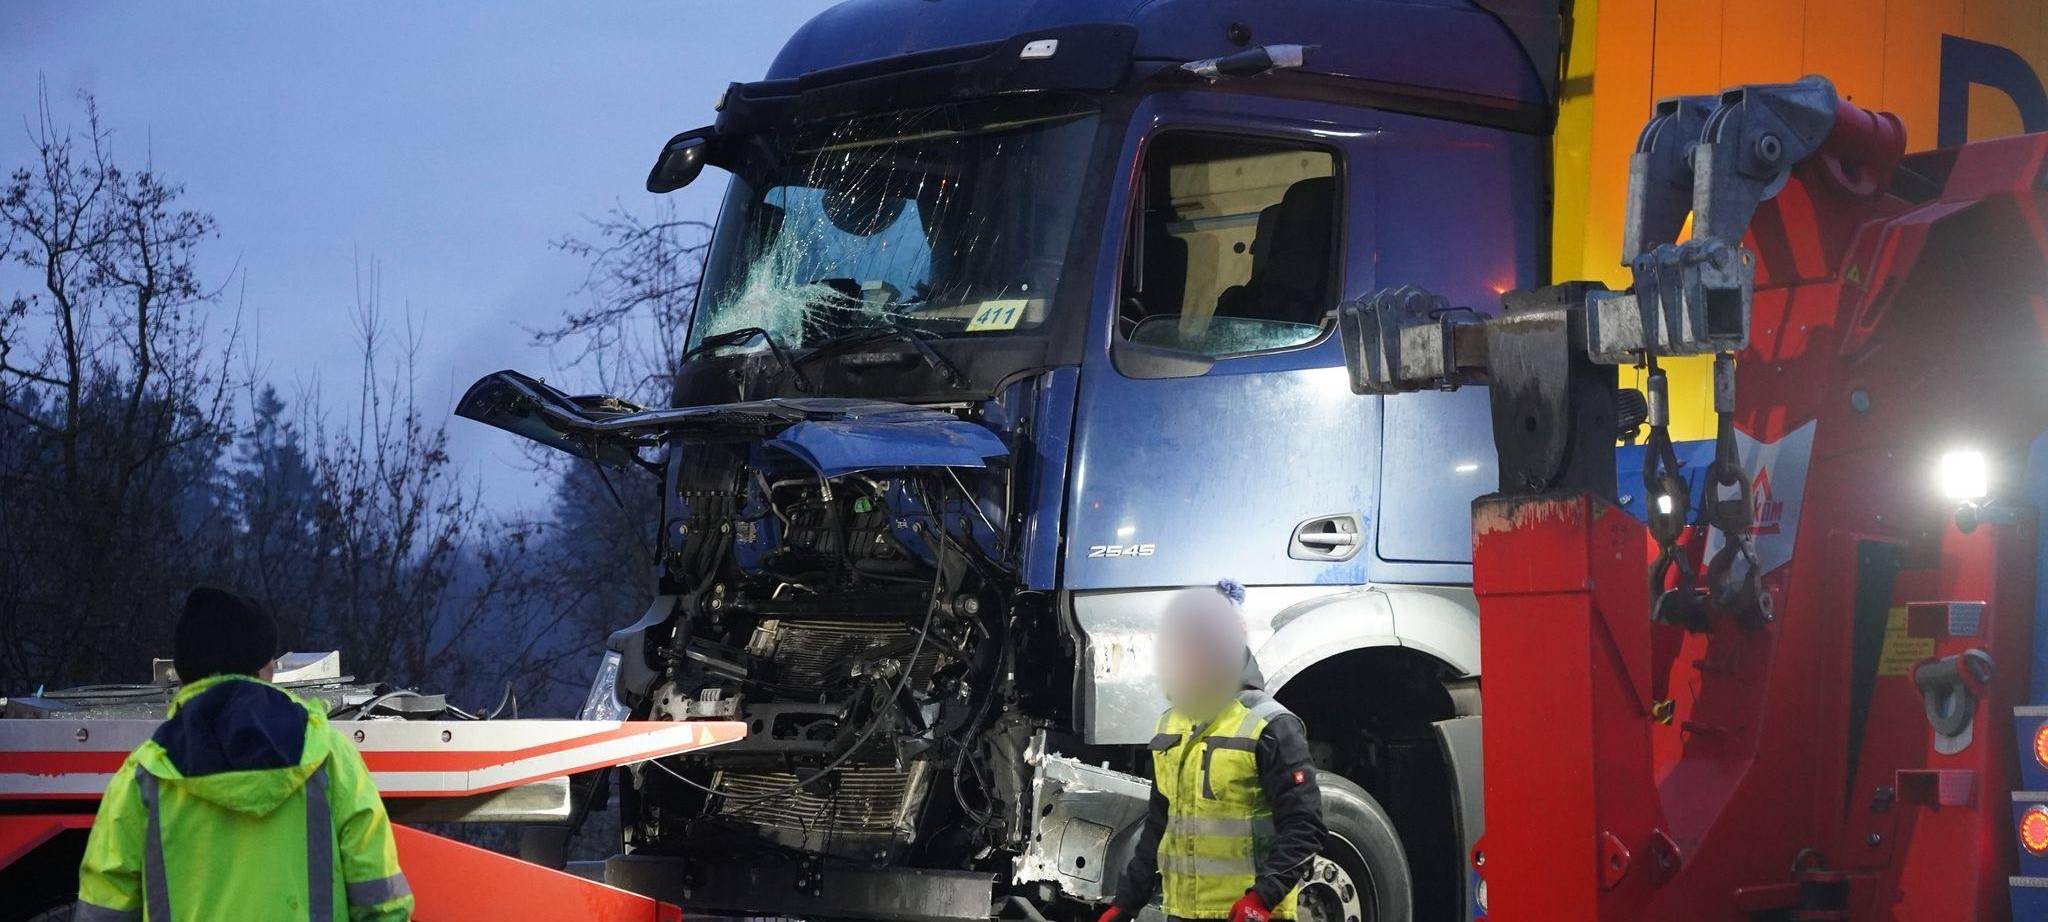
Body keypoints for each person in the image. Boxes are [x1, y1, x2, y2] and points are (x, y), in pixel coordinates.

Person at [74, 587, 414, 922]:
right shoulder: (329, 756)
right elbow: (382, 904)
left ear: (183, 674)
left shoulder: (144, 775)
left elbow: (104, 911)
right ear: (265, 669)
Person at [1100, 579, 1326, 922]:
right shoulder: (1170, 725)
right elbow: (1158, 827)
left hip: (1249, 914)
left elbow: (1305, 826)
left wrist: (1261, 898)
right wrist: (1125, 903)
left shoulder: (1270, 725)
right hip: (1182, 914)